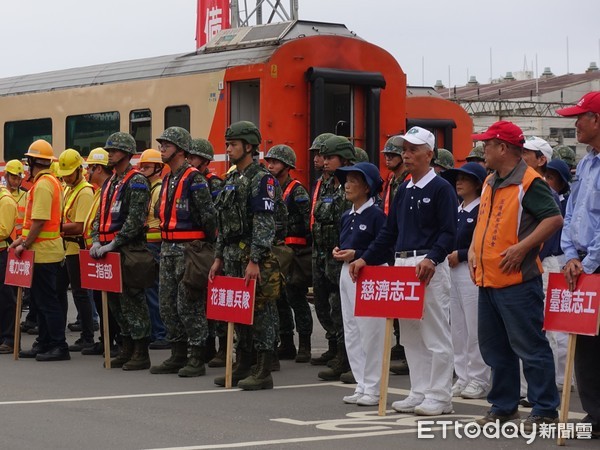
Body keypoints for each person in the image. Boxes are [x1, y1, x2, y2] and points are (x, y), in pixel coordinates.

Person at [349, 126, 457, 416]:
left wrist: (433, 259)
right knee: (409, 334)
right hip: (403, 263)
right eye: (404, 149)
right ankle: (419, 391)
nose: (405, 155)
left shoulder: (441, 188)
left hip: (428, 266)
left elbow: (449, 232)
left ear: (429, 154)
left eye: (412, 149)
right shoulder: (404, 189)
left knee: (434, 333)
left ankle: (440, 395)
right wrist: (365, 259)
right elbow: (388, 232)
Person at [467, 121, 562, 430]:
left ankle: (545, 408)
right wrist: (472, 249)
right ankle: (504, 405)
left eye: (487, 145)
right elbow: (483, 222)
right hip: (489, 279)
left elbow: (553, 219)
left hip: (517, 281)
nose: (484, 151)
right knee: (495, 349)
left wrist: (522, 248)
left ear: (503, 148)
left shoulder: (529, 182)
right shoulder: (491, 180)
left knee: (530, 346)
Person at [209, 121, 281, 391]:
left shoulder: (262, 179)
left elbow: (264, 222)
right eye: (228, 144)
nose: (228, 149)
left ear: (249, 146)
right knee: (238, 312)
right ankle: (244, 362)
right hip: (230, 255)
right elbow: (223, 223)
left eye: (233, 144)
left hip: (250, 256)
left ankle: (263, 369)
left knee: (260, 312)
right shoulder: (231, 179)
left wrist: (255, 259)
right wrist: (217, 258)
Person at [150, 127, 217, 378]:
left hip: (189, 250)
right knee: (167, 304)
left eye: (166, 145)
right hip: (167, 249)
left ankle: (197, 356)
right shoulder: (168, 178)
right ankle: (177, 354)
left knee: (189, 304)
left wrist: (204, 246)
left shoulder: (194, 178)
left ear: (179, 149)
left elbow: (209, 217)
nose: (161, 149)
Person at [557, 91, 600, 439]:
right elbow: (571, 213)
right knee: (584, 340)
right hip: (582, 262)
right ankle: (595, 414)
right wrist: (571, 255)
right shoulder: (585, 163)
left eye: (580, 117)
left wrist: (590, 261)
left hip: (596, 263)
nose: (575, 123)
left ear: (597, 120)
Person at [90, 132, 152, 371]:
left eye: (113, 151)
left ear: (126, 153)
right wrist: (97, 240)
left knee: (132, 301)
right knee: (115, 302)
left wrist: (114, 243)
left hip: (128, 250)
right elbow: (99, 215)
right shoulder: (111, 182)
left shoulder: (136, 181)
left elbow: (135, 220)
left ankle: (140, 351)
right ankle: (126, 347)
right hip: (107, 251)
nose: (110, 155)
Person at [334, 162, 389, 406]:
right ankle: (362, 383)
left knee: (371, 332)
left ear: (367, 187)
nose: (346, 185)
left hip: (370, 274)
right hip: (347, 273)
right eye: (346, 180)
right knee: (353, 330)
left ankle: (374, 387)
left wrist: (357, 253)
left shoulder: (377, 215)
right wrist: (340, 251)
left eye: (353, 180)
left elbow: (385, 248)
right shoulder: (347, 215)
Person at [13, 140, 69, 361]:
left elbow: (39, 221)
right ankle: (45, 342)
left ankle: (58, 345)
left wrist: (24, 244)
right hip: (44, 250)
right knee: (41, 300)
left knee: (47, 301)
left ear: (33, 161)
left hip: (44, 252)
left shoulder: (44, 184)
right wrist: (21, 240)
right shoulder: (49, 182)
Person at [441, 162, 490, 399]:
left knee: (474, 328)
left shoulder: (482, 208)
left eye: (465, 178)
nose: (459, 182)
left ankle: (479, 378)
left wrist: (460, 254)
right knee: (457, 328)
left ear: (478, 184)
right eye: (457, 178)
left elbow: (484, 241)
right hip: (452, 272)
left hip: (471, 271)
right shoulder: (456, 209)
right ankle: (463, 376)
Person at [265, 145, 313, 363]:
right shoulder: (271, 186)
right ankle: (286, 342)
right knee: (279, 299)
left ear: (287, 165)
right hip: (278, 251)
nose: (271, 165)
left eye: (275, 161)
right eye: (270, 161)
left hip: (295, 252)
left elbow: (307, 223)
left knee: (296, 298)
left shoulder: (297, 190)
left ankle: (304, 345)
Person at [313, 135, 355, 382]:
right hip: (324, 253)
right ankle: (336, 349)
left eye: (330, 157)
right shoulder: (327, 185)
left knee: (342, 309)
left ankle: (346, 357)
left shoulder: (350, 184)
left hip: (341, 255)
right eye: (324, 157)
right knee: (326, 305)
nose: (324, 161)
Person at [188, 137, 225, 364]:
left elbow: (215, 218)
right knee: (200, 301)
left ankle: (221, 347)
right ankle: (208, 346)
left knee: (215, 297)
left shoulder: (215, 184)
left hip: (211, 246)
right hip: (197, 248)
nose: (189, 160)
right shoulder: (188, 180)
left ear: (204, 160)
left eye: (193, 157)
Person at [81, 148, 121, 357]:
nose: (87, 172)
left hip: (106, 253)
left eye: (90, 167)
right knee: (99, 299)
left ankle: (115, 341)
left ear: (98, 168)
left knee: (110, 301)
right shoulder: (100, 190)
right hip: (96, 252)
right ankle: (105, 339)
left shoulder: (111, 190)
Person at [56, 149, 95, 351]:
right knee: (59, 291)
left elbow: (80, 226)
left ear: (80, 170)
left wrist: (54, 227)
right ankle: (59, 334)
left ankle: (87, 337)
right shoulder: (68, 188)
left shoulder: (85, 191)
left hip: (77, 249)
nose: (67, 177)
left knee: (80, 294)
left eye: (70, 173)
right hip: (66, 249)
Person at [380, 135, 410, 374]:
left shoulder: (407, 181)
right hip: (391, 244)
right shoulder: (390, 180)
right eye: (386, 155)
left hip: (405, 245)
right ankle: (401, 346)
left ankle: (406, 349)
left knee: (407, 302)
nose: (388, 159)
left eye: (392, 155)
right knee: (396, 301)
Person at [308, 132, 337, 366]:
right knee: (321, 301)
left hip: (334, 252)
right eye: (318, 155)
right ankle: (333, 344)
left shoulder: (340, 187)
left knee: (336, 303)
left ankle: (342, 352)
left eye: (324, 155)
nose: (319, 159)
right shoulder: (321, 185)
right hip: (319, 250)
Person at [137, 149, 170, 350]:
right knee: (149, 289)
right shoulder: (149, 188)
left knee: (153, 290)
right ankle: (155, 331)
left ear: (158, 168)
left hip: (155, 245)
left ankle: (161, 333)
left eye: (147, 167)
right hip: (149, 245)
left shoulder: (158, 189)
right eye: (141, 166)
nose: (142, 170)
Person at [0, 181, 18, 354]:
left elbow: (3, 230)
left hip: (4, 253)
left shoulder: (5, 200)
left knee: (6, 297)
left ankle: (10, 338)